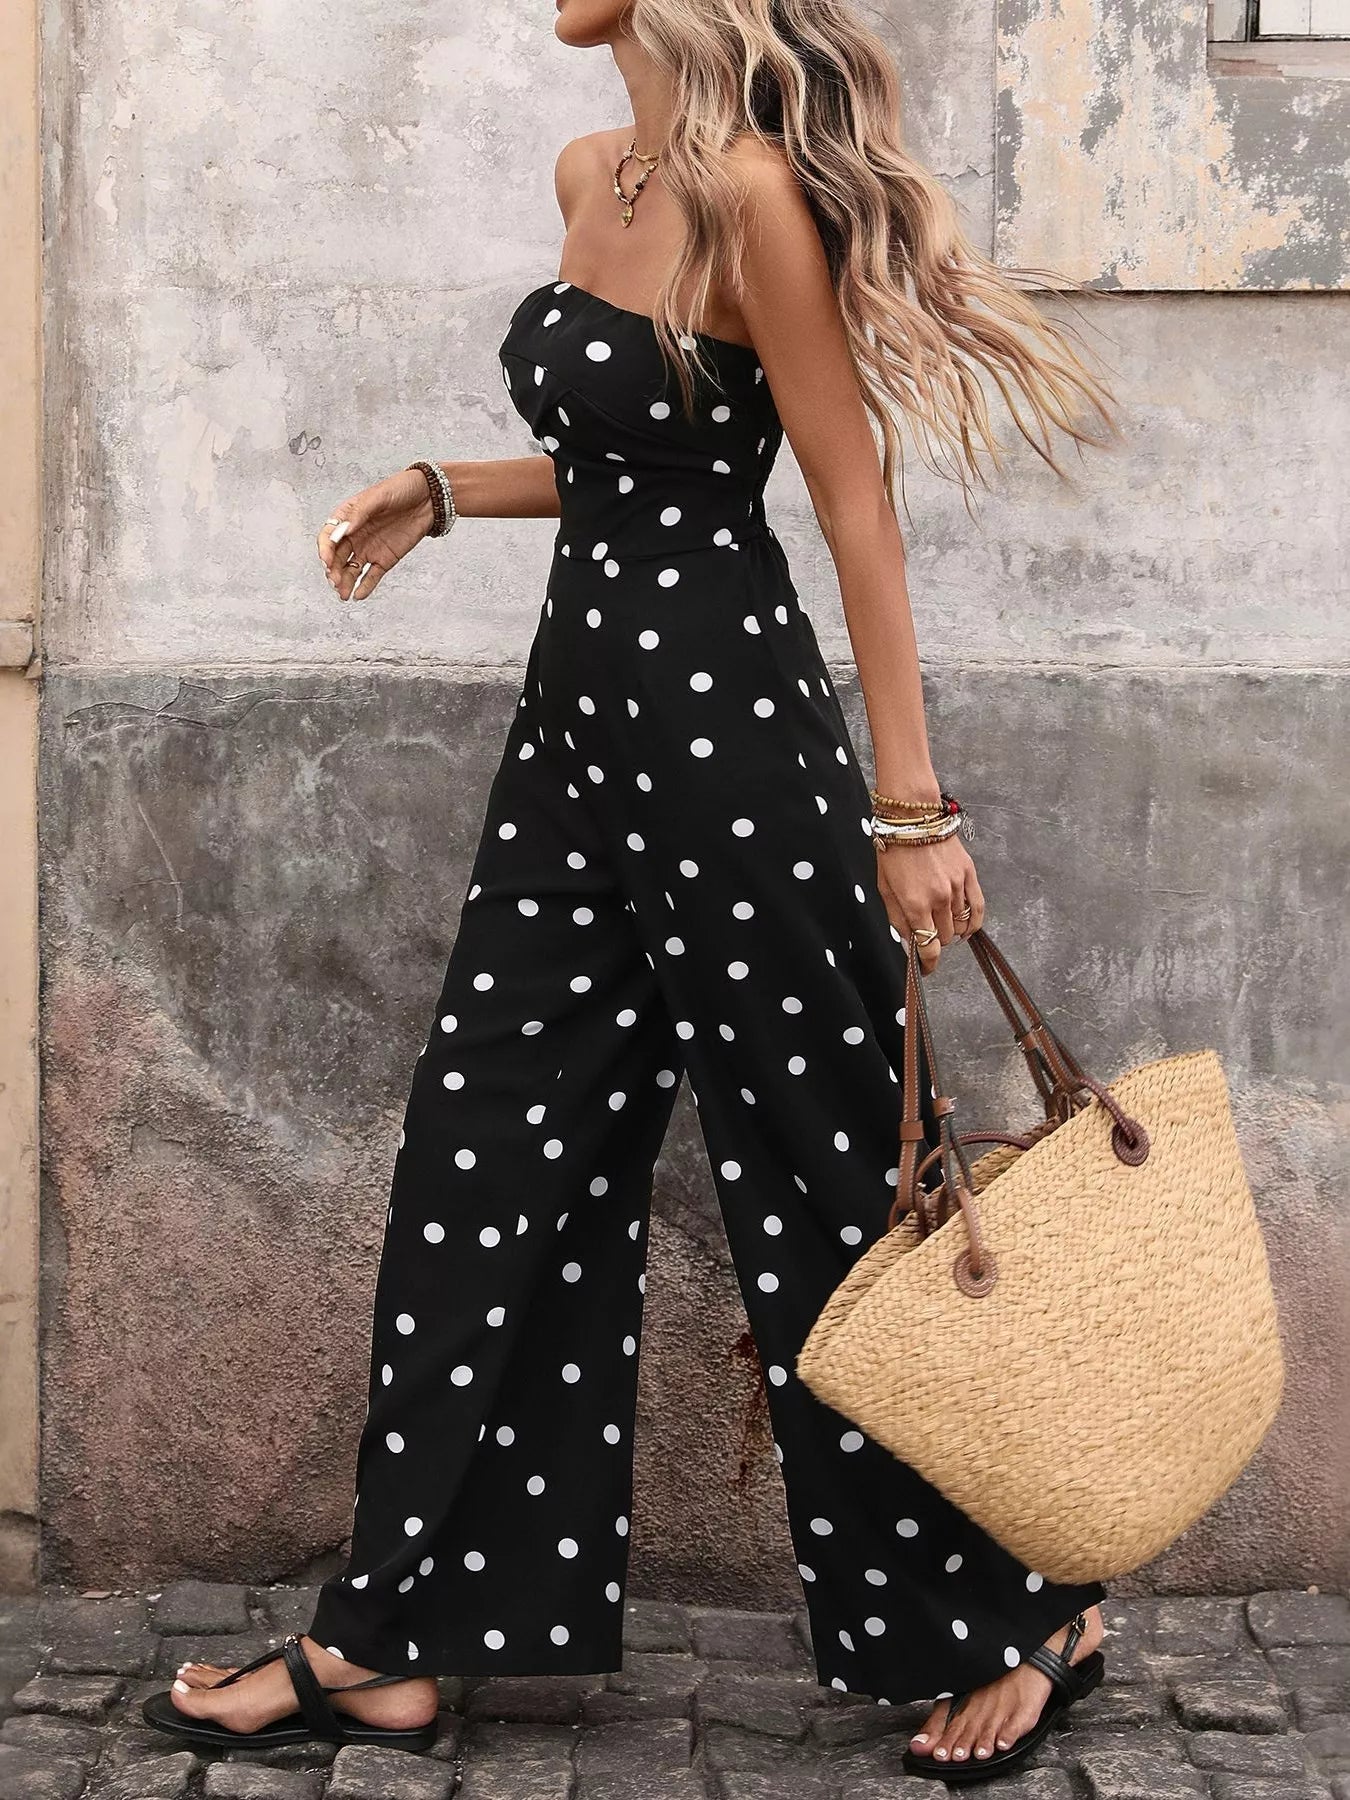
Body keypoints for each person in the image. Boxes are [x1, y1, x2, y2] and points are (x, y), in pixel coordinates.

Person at [143, 0, 1119, 1781]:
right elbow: (631, 468)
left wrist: (912, 808)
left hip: (731, 751)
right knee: (481, 1147)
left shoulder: (757, 196)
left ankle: (1026, 1603)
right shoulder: (597, 169)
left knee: (838, 1175)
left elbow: (847, 502)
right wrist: (442, 491)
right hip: (576, 750)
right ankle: (395, 1633)